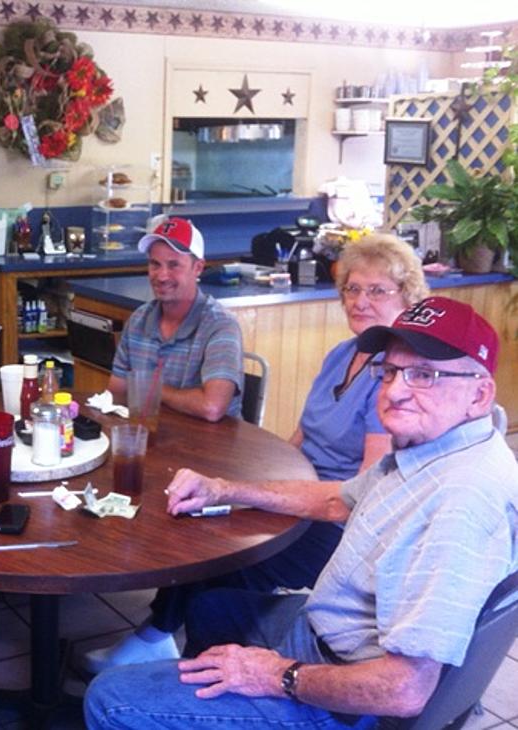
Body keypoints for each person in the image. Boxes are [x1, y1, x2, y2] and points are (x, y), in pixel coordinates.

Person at [86, 296, 517, 729]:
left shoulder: (461, 503)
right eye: (389, 372)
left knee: (109, 699)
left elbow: (403, 689)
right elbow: (335, 500)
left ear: (479, 394)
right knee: (209, 607)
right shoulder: (430, 450)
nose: (395, 390)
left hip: (348, 698)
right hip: (325, 631)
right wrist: (224, 489)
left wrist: (277, 675)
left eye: (425, 375)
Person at [82, 233, 429, 673]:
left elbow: (358, 497)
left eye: (377, 290)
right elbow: (302, 435)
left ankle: (181, 663)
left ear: (408, 296)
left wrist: (263, 493)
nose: (360, 300)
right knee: (202, 525)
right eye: (352, 289)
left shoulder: (394, 378)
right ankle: (159, 637)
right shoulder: (344, 353)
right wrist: (260, 482)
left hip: (339, 524)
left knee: (223, 559)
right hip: (303, 494)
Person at [108, 216, 243, 423]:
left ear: (198, 268)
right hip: (152, 439)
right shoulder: (138, 320)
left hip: (211, 448)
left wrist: (149, 389)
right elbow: (116, 392)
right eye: (155, 264)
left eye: (173, 265)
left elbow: (212, 407)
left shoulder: (220, 326)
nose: (162, 276)